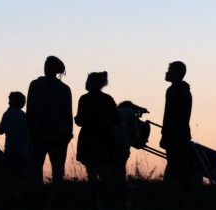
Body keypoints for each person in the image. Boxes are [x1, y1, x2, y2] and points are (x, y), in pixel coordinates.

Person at [26, 56, 73, 184]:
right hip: (58, 135)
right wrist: (68, 133)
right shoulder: (64, 88)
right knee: (58, 171)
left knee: (35, 170)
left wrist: (29, 131)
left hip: (37, 134)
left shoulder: (35, 85)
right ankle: (56, 197)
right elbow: (68, 114)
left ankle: (37, 198)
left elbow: (30, 110)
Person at [74, 72, 120, 201]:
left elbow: (80, 121)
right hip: (105, 138)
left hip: (88, 138)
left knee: (91, 171)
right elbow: (116, 120)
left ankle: (94, 198)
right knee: (105, 171)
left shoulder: (84, 99)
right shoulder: (108, 99)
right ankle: (112, 197)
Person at [160, 61, 201, 185]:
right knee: (178, 166)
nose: (166, 72)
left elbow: (170, 115)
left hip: (174, 135)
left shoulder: (174, 90)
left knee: (175, 167)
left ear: (175, 73)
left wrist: (165, 134)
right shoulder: (183, 90)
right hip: (181, 134)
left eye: (169, 70)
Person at [0, 91, 30, 182]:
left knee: (10, 178)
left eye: (10, 101)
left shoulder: (7, 114)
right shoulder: (25, 116)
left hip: (11, 151)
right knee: (23, 178)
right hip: (24, 151)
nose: (8, 103)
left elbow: (0, 130)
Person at [113, 101, 146, 182]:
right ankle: (121, 184)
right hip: (122, 139)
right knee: (121, 165)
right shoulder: (129, 112)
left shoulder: (115, 112)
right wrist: (136, 140)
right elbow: (134, 130)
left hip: (110, 140)